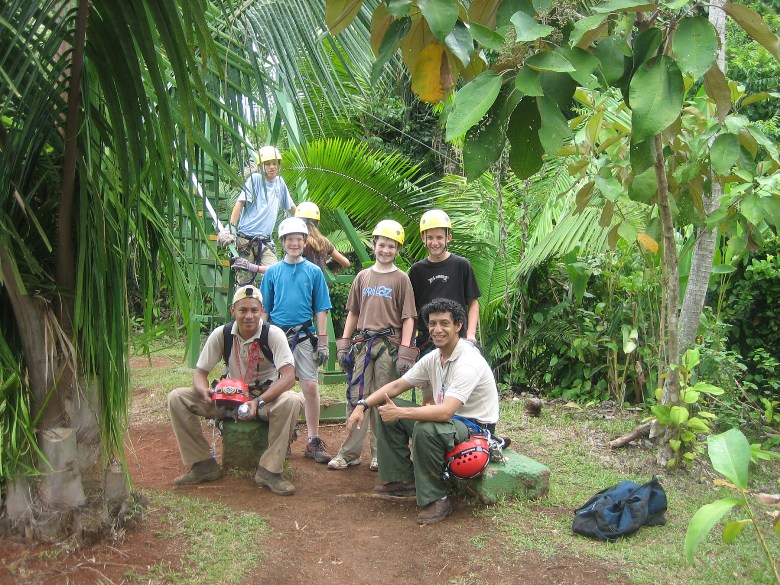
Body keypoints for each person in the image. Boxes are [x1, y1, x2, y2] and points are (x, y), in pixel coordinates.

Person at [345, 298, 500, 525]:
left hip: (474, 426)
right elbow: (397, 386)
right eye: (432, 323)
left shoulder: (468, 362)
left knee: (426, 428)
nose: (437, 330)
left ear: (458, 326)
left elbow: (445, 412)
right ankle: (403, 479)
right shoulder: (434, 358)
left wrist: (400, 413)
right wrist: (363, 405)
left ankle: (438, 497)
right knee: (385, 407)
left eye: (444, 323)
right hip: (450, 419)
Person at [167, 285, 304, 495]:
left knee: (292, 400)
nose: (249, 316)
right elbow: (200, 372)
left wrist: (257, 402)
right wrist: (205, 391)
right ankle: (203, 463)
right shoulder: (222, 334)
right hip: (228, 397)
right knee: (177, 397)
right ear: (233, 311)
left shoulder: (273, 334)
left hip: (263, 399)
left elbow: (288, 377)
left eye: (254, 310)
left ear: (262, 310)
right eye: (243, 310)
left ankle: (270, 470)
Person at [329, 220, 417, 472]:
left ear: (397, 249)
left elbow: (408, 317)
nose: (385, 250)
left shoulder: (402, 279)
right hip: (363, 344)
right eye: (382, 245)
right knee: (356, 396)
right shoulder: (362, 276)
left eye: (391, 246)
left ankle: (381, 454)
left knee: (383, 397)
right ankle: (350, 452)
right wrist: (344, 344)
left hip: (388, 345)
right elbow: (353, 312)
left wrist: (404, 351)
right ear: (374, 245)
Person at [261, 217, 333, 463]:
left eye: (298, 239)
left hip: (303, 335)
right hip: (276, 335)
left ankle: (313, 439)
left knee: (310, 386)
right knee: (276, 385)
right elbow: (265, 309)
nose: (294, 243)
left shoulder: (313, 272)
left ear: (305, 242)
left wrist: (322, 342)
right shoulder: (272, 272)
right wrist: (262, 337)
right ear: (282, 242)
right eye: (289, 239)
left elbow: (321, 308)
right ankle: (281, 434)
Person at [408, 209, 481, 356]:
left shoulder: (461, 265)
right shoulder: (417, 270)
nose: (435, 243)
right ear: (423, 238)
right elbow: (412, 311)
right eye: (430, 238)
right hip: (427, 341)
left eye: (440, 237)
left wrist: (471, 335)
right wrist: (409, 343)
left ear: (449, 238)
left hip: (458, 339)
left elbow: (473, 302)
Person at [219, 145, 297, 282]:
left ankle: (269, 303)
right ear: (261, 166)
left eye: (274, 163)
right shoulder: (255, 179)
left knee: (277, 275)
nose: (272, 167)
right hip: (246, 240)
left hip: (265, 241)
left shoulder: (280, 183)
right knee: (245, 281)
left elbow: (291, 208)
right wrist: (231, 227)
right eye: (267, 164)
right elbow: (240, 203)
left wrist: (305, 224)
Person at [295, 202, 351, 272]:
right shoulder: (324, 241)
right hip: (318, 281)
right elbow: (346, 263)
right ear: (317, 223)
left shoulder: (296, 241)